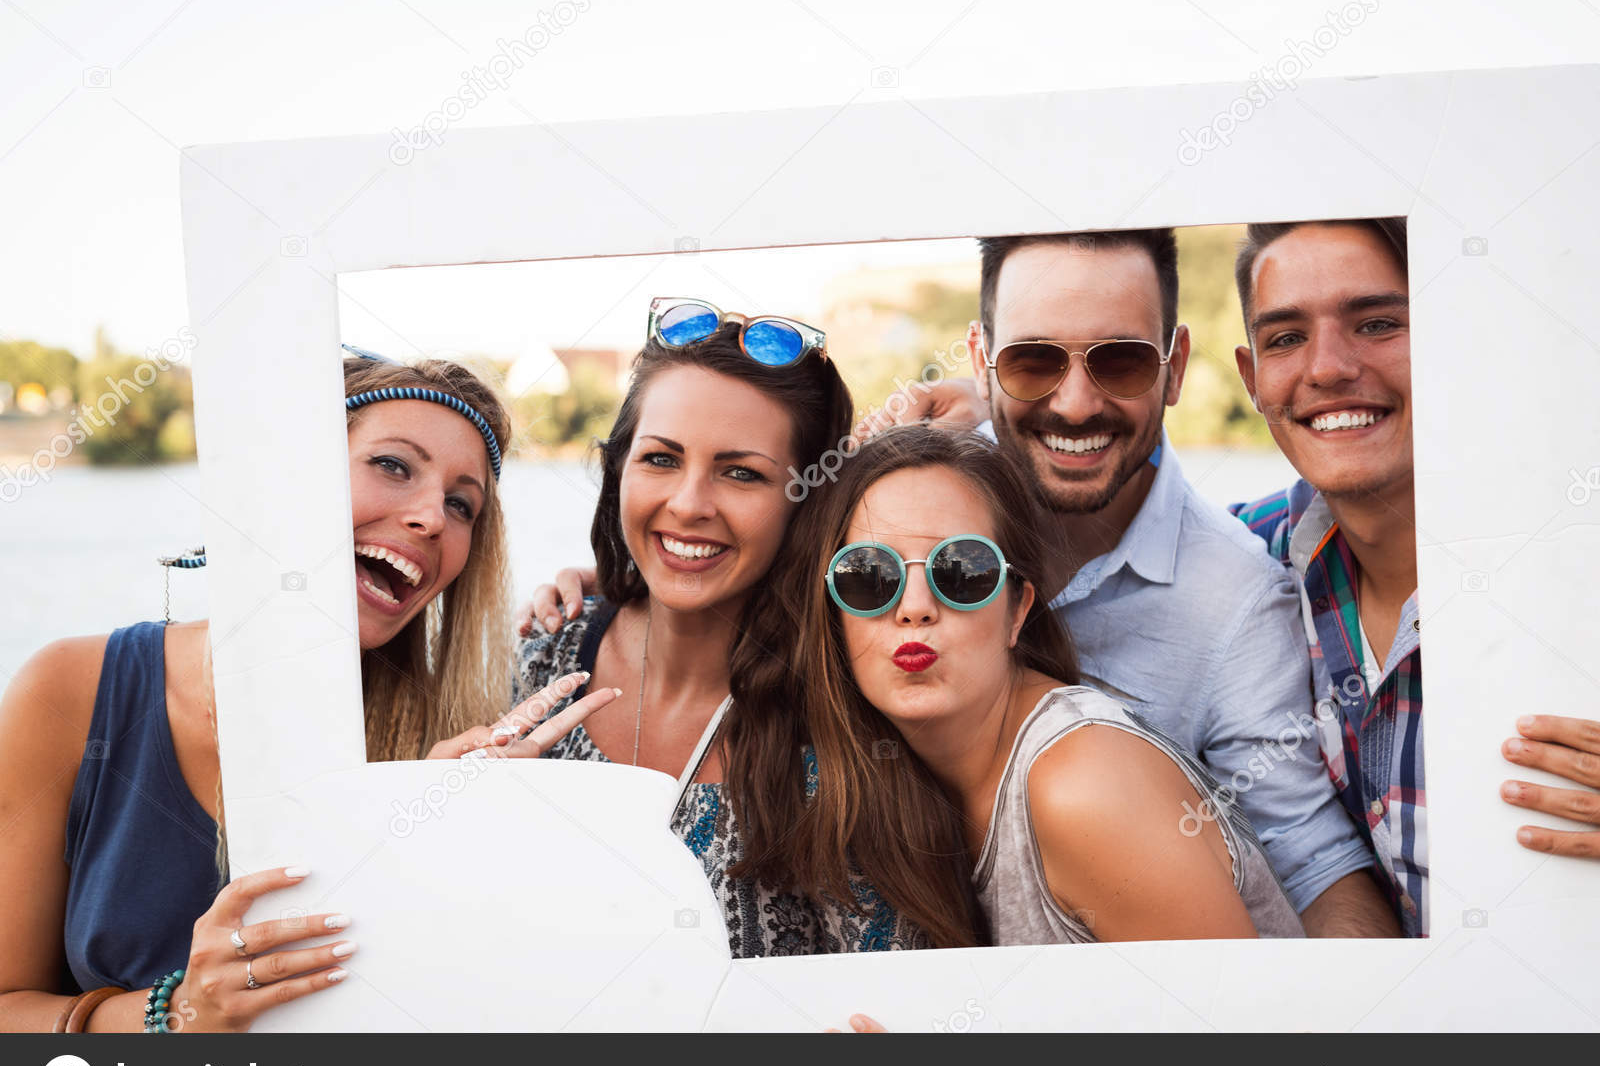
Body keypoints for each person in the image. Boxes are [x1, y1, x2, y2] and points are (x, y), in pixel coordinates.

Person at [717, 229, 1390, 935]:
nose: (1073, 404)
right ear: (982, 361)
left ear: (1175, 366)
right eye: (1033, 361)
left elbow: (1310, 866)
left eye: (1122, 362)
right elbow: (748, 547)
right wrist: (616, 576)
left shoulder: (1235, 600)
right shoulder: (918, 495)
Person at [0, 353, 572, 1032]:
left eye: (461, 503)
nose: (431, 518)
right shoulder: (71, 690)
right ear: (294, 478)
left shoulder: (456, 752)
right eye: (393, 465)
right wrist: (177, 1015)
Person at [455, 298, 936, 954]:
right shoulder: (535, 659)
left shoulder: (847, 726)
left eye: (741, 473)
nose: (688, 504)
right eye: (660, 459)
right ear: (620, 466)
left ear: (806, 502)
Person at [768, 422, 1303, 943]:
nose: (914, 609)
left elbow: (1237, 1023)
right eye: (869, 577)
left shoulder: (1083, 785)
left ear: (1017, 610)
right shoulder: (888, 776)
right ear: (832, 609)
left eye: (961, 572)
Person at [1228, 218, 1600, 936]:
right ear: (1251, 378)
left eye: (1376, 323)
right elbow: (1111, 528)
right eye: (1284, 337)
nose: (1328, 367)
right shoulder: (1256, 552)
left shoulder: (1570, 567)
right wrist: (982, 426)